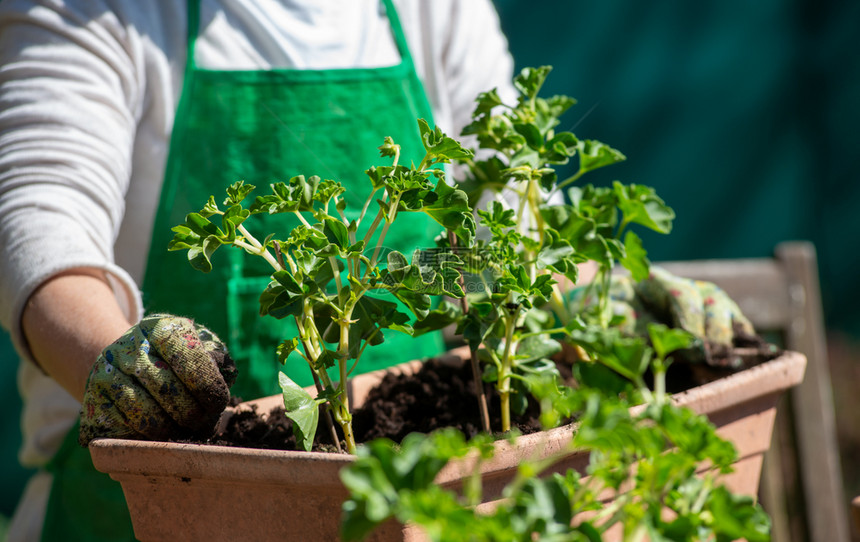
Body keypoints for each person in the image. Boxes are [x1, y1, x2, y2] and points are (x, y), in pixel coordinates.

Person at [0, 1, 516, 539]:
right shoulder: (94, 10)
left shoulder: (439, 9)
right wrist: (132, 370)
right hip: (152, 515)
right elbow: (38, 229)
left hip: (428, 503)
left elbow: (490, 238)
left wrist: (426, 280)